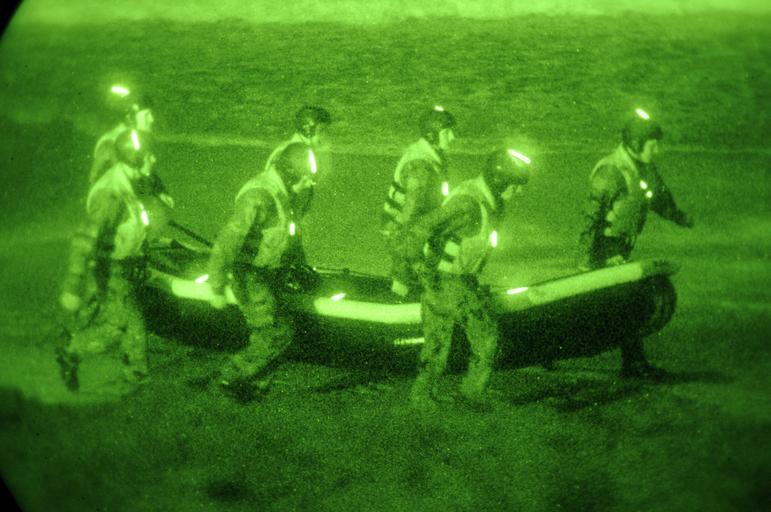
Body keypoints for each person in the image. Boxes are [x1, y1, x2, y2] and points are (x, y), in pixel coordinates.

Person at [397, 148, 532, 411]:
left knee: (437, 343)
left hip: (446, 281)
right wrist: (420, 269)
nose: (518, 192)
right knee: (488, 337)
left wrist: (425, 276)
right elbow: (419, 230)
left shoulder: (484, 200)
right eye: (515, 186)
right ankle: (472, 392)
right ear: (499, 181)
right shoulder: (469, 204)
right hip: (450, 283)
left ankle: (422, 396)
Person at [577, 109, 694, 379]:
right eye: (653, 145)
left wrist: (677, 216)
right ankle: (634, 364)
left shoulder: (643, 167)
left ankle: (560, 347)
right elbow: (590, 220)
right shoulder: (610, 172)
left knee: (607, 305)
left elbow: (658, 196)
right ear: (636, 143)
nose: (657, 150)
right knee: (625, 303)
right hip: (604, 248)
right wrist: (584, 261)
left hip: (621, 246)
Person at [206, 141, 321, 403]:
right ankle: (229, 376)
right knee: (276, 333)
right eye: (306, 178)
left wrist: (299, 265)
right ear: (291, 173)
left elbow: (287, 234)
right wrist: (216, 286)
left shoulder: (283, 193)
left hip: (270, 273)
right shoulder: (258, 198)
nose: (309, 184)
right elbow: (227, 243)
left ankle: (254, 386)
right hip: (249, 275)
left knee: (278, 330)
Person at [57, 129, 156, 391]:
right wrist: (72, 284)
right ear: (135, 158)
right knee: (122, 323)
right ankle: (73, 351)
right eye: (149, 155)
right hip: (110, 268)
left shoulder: (129, 184)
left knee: (129, 322)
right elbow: (84, 238)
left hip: (122, 265)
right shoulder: (112, 194)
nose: (153, 159)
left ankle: (134, 374)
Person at [381, 105, 456, 300]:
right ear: (432, 135)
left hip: (408, 225)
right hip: (404, 229)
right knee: (407, 270)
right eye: (446, 133)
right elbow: (411, 213)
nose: (452, 137)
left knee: (414, 268)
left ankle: (404, 293)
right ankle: (399, 298)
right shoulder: (420, 166)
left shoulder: (431, 154)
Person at [89, 85, 173, 208]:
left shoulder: (135, 137)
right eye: (146, 115)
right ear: (131, 118)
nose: (152, 120)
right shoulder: (112, 144)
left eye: (151, 114)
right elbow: (107, 187)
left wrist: (159, 190)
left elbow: (143, 167)